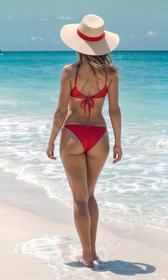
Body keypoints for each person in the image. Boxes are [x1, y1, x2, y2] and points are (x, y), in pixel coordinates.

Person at [46, 14, 122, 267]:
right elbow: (114, 110)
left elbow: (60, 111)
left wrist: (51, 140)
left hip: (74, 135)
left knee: (79, 199)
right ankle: (94, 251)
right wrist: (119, 143)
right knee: (90, 196)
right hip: (99, 136)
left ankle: (87, 255)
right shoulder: (111, 74)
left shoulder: (69, 71)